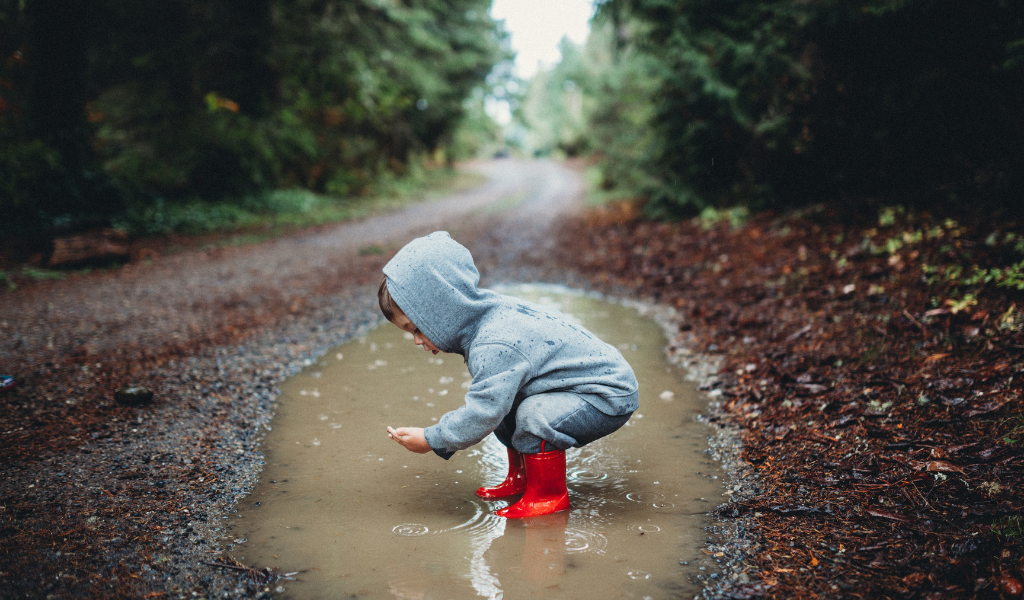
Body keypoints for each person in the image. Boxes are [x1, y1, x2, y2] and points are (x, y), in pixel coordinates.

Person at [380, 231, 639, 518]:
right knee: (508, 401)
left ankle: (548, 495)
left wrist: (431, 439)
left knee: (531, 413)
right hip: (575, 387)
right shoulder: (482, 318)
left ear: (442, 310)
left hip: (606, 393)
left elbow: (482, 413)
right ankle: (522, 479)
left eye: (416, 328)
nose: (417, 341)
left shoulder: (493, 342)